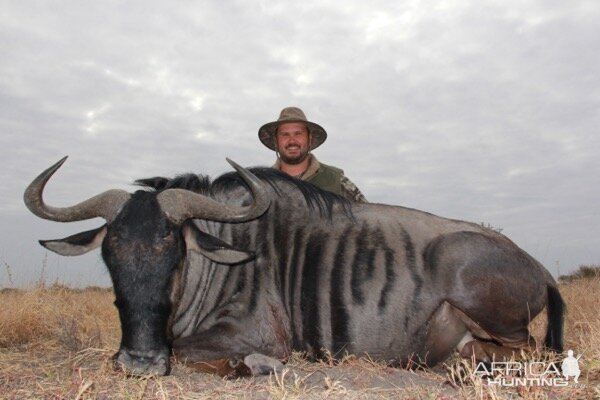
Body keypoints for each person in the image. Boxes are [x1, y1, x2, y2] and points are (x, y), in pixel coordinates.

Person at [258, 107, 367, 202]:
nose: (292, 141)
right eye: (285, 135)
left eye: (298, 134)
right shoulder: (260, 185)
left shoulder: (337, 181)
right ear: (276, 141)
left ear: (309, 139)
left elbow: (368, 219)